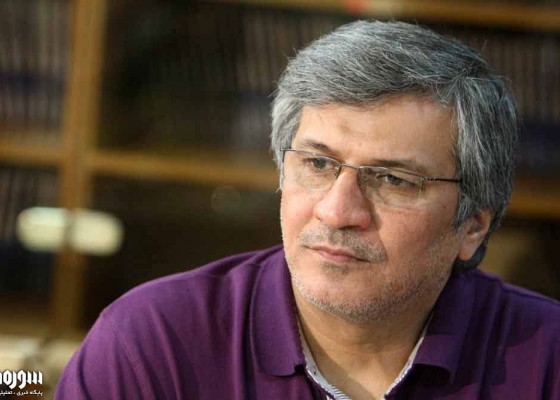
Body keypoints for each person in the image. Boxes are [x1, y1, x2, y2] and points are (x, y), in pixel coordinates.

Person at [56, 20, 560, 399]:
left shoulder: (548, 362)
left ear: (472, 226)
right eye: (318, 164)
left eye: (393, 180)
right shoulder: (150, 344)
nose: (337, 212)